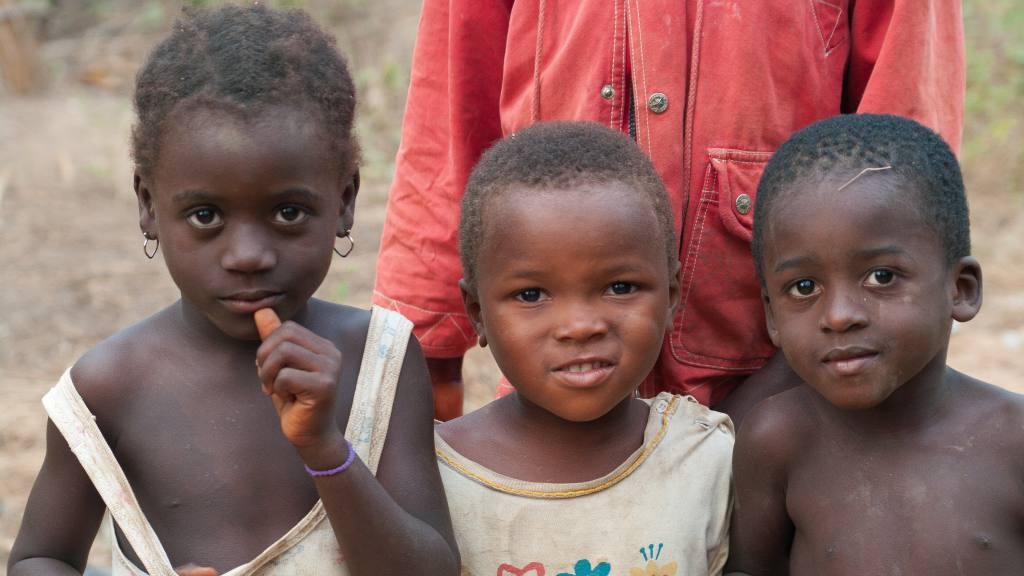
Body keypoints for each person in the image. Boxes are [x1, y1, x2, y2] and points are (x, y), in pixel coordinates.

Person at [8, 6, 458, 575]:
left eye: (288, 211)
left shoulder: (380, 360)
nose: (248, 255)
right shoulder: (106, 389)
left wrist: (326, 450)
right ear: (148, 205)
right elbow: (39, 560)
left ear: (344, 201)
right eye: (205, 216)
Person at [373, 0, 966, 422]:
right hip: (549, 368)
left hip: (780, 364)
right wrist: (426, 340)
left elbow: (900, 129)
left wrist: (890, 301)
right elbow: (451, 103)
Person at [725, 114, 1024, 575]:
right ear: (771, 315)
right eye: (804, 287)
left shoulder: (1013, 439)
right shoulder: (775, 441)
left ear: (960, 289)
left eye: (881, 276)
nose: (840, 315)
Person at [435, 122, 733, 575]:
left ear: (671, 295)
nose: (579, 328)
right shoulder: (433, 476)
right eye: (532, 295)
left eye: (619, 286)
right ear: (477, 313)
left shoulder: (704, 458)